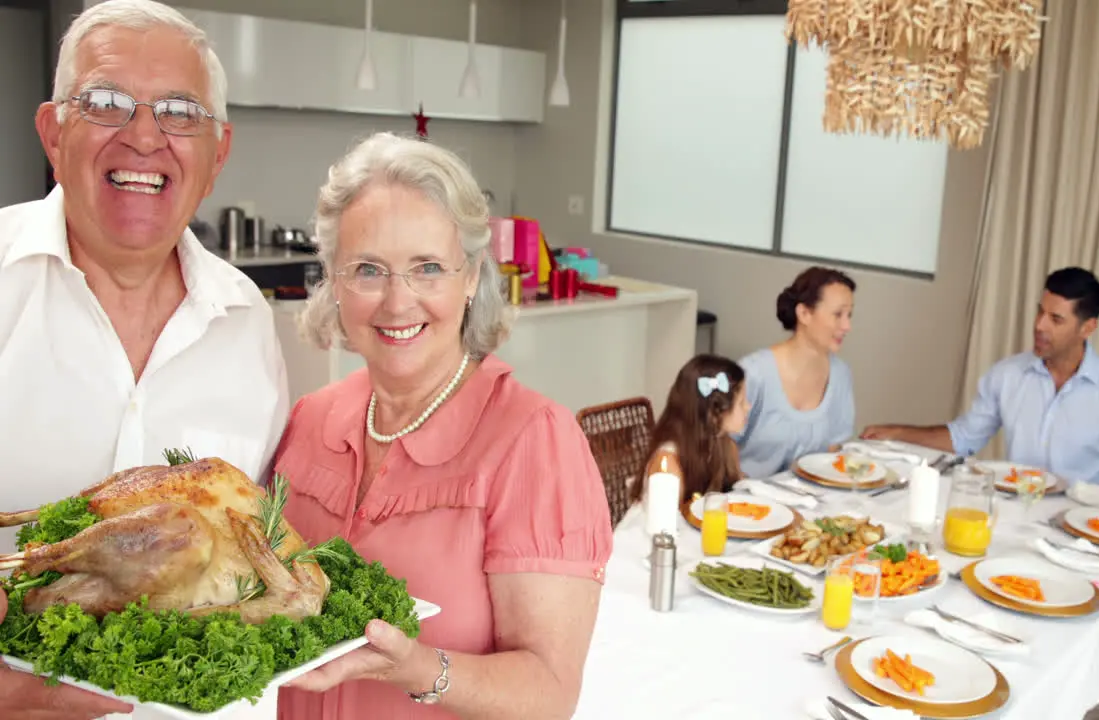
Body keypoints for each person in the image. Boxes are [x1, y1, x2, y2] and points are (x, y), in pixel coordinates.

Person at [0, 1, 288, 717]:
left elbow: (258, 537)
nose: (144, 136)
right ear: (52, 132)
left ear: (217, 153)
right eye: (105, 102)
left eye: (180, 112)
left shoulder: (248, 317)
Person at [271, 132, 613, 719]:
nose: (398, 302)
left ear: (473, 276)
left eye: (427, 268)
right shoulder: (311, 418)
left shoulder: (534, 441)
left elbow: (550, 695)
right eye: (368, 270)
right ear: (333, 279)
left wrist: (417, 668)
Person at [862, 267, 1099, 499]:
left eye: (1055, 319)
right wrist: (896, 433)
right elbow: (964, 438)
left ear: (1088, 327)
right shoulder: (1007, 375)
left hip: (1077, 531)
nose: (1039, 325)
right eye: (1040, 311)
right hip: (1010, 517)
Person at [732, 266, 857, 478]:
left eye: (849, 315)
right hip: (744, 502)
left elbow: (832, 454)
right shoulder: (754, 373)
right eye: (838, 315)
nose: (847, 326)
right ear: (804, 313)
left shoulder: (841, 375)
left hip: (808, 503)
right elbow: (721, 446)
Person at [630, 354, 750, 508]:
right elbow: (665, 523)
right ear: (713, 414)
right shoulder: (668, 463)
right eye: (741, 402)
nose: (748, 407)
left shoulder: (724, 443)